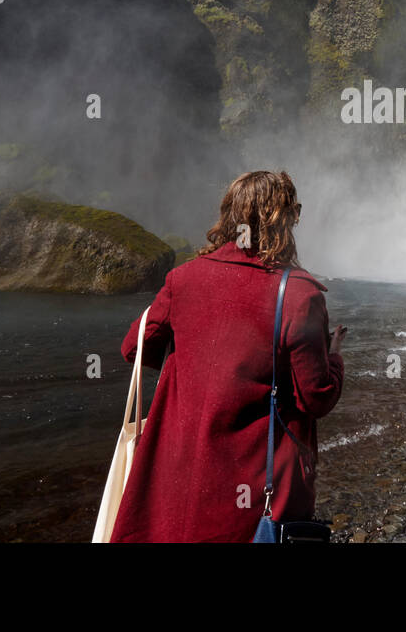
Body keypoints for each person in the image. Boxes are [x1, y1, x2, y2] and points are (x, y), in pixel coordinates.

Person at [108, 170, 346, 542]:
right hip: (252, 485)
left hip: (179, 472)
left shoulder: (184, 278)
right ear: (285, 220)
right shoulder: (300, 295)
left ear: (229, 217)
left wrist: (196, 362)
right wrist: (334, 356)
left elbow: (134, 348)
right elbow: (316, 396)